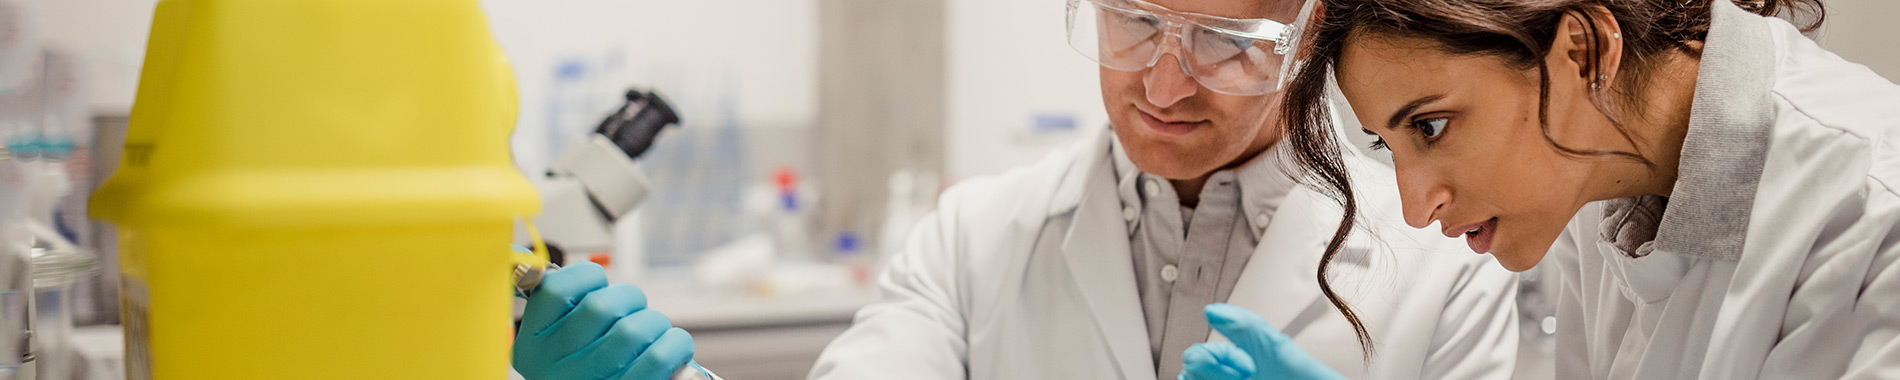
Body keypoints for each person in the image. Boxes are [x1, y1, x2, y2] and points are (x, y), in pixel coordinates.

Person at [510, 0, 1525, 378]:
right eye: (1134, 24)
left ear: (1307, 43)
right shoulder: (975, 236)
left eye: (1223, 44)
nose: (1165, 83)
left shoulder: (1442, 266)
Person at [1248, 0, 1900, 378]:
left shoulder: (1874, 211)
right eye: (1386, 146)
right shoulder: (1597, 179)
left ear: (1583, 51)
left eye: (1432, 126)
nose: (1417, 209)